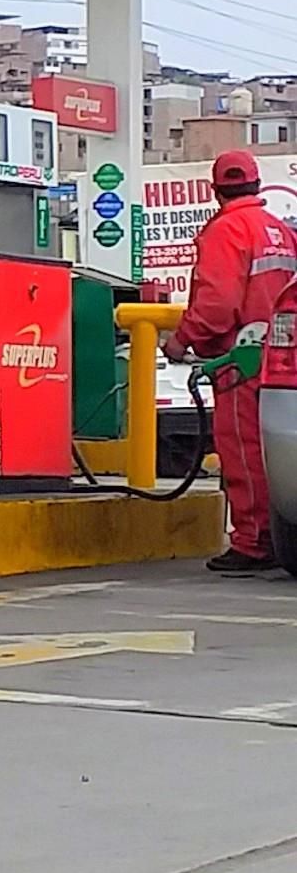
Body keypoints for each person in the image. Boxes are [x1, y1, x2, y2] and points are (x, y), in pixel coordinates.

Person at [164, 150, 297, 574]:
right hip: (278, 359)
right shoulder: (279, 231)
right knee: (273, 453)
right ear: (257, 184)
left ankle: (253, 542)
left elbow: (217, 305)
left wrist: (182, 340)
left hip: (239, 359)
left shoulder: (225, 231)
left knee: (243, 451)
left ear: (215, 189)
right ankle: (276, 537)